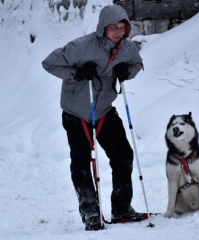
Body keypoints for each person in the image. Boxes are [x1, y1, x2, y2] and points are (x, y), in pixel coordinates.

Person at [42, 4, 145, 231]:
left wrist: (126, 72)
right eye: (113, 27)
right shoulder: (81, 47)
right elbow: (49, 63)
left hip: (104, 109)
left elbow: (137, 64)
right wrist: (76, 73)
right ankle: (90, 212)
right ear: (103, 27)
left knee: (123, 155)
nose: (118, 31)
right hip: (76, 110)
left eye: (122, 27)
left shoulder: (126, 48)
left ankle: (121, 208)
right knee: (81, 161)